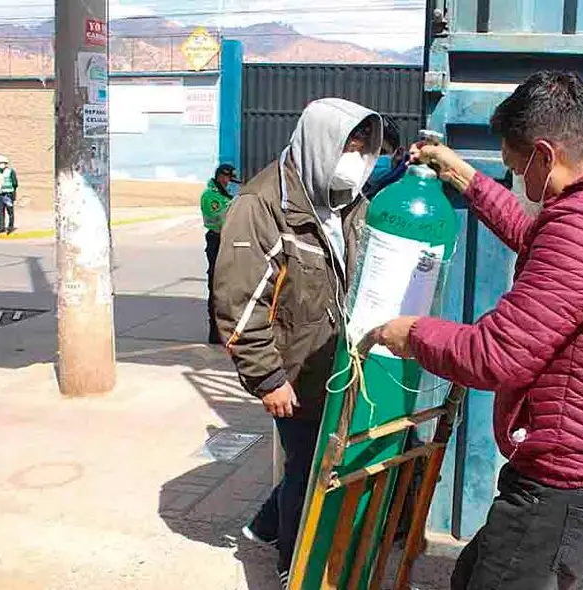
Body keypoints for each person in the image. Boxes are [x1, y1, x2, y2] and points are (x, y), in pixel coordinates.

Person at [378, 71, 583, 589]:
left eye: (514, 167)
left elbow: (496, 354)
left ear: (545, 156)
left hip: (562, 488)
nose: (518, 182)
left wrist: (412, 333)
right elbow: (544, 246)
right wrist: (466, 179)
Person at [212, 98, 381, 588]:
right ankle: (294, 567)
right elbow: (239, 304)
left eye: (362, 148)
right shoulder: (260, 206)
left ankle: (263, 525)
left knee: (320, 463)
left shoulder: (348, 201)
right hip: (295, 374)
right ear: (319, 144)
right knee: (307, 471)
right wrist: (267, 377)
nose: (356, 158)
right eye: (348, 146)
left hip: (339, 365)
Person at [200, 163, 240, 344]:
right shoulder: (210, 196)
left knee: (229, 285)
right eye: (227, 178)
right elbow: (220, 218)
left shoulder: (225, 195)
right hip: (216, 240)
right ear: (220, 176)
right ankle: (215, 332)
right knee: (215, 284)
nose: (229, 182)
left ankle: (227, 328)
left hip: (227, 241)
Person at [362, 114, 409, 199]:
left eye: (380, 152)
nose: (372, 158)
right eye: (366, 151)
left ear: (398, 154)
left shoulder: (406, 192)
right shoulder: (360, 186)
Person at [0, 155, 19, 237]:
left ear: (6, 163)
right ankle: (1, 227)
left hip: (8, 194)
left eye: (2, 163)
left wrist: (12, 193)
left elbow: (15, 183)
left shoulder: (11, 172)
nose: (1, 165)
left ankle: (10, 227)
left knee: (10, 212)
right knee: (0, 212)